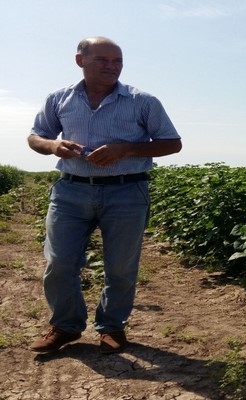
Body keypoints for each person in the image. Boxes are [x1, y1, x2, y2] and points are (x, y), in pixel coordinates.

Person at [27, 36, 182, 354]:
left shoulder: (143, 101)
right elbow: (36, 136)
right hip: (71, 190)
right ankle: (65, 327)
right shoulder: (59, 99)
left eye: (117, 61)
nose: (112, 67)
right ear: (80, 60)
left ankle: (112, 327)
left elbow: (172, 143)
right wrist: (54, 146)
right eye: (103, 60)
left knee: (121, 266)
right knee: (59, 262)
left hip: (127, 190)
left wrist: (125, 149)